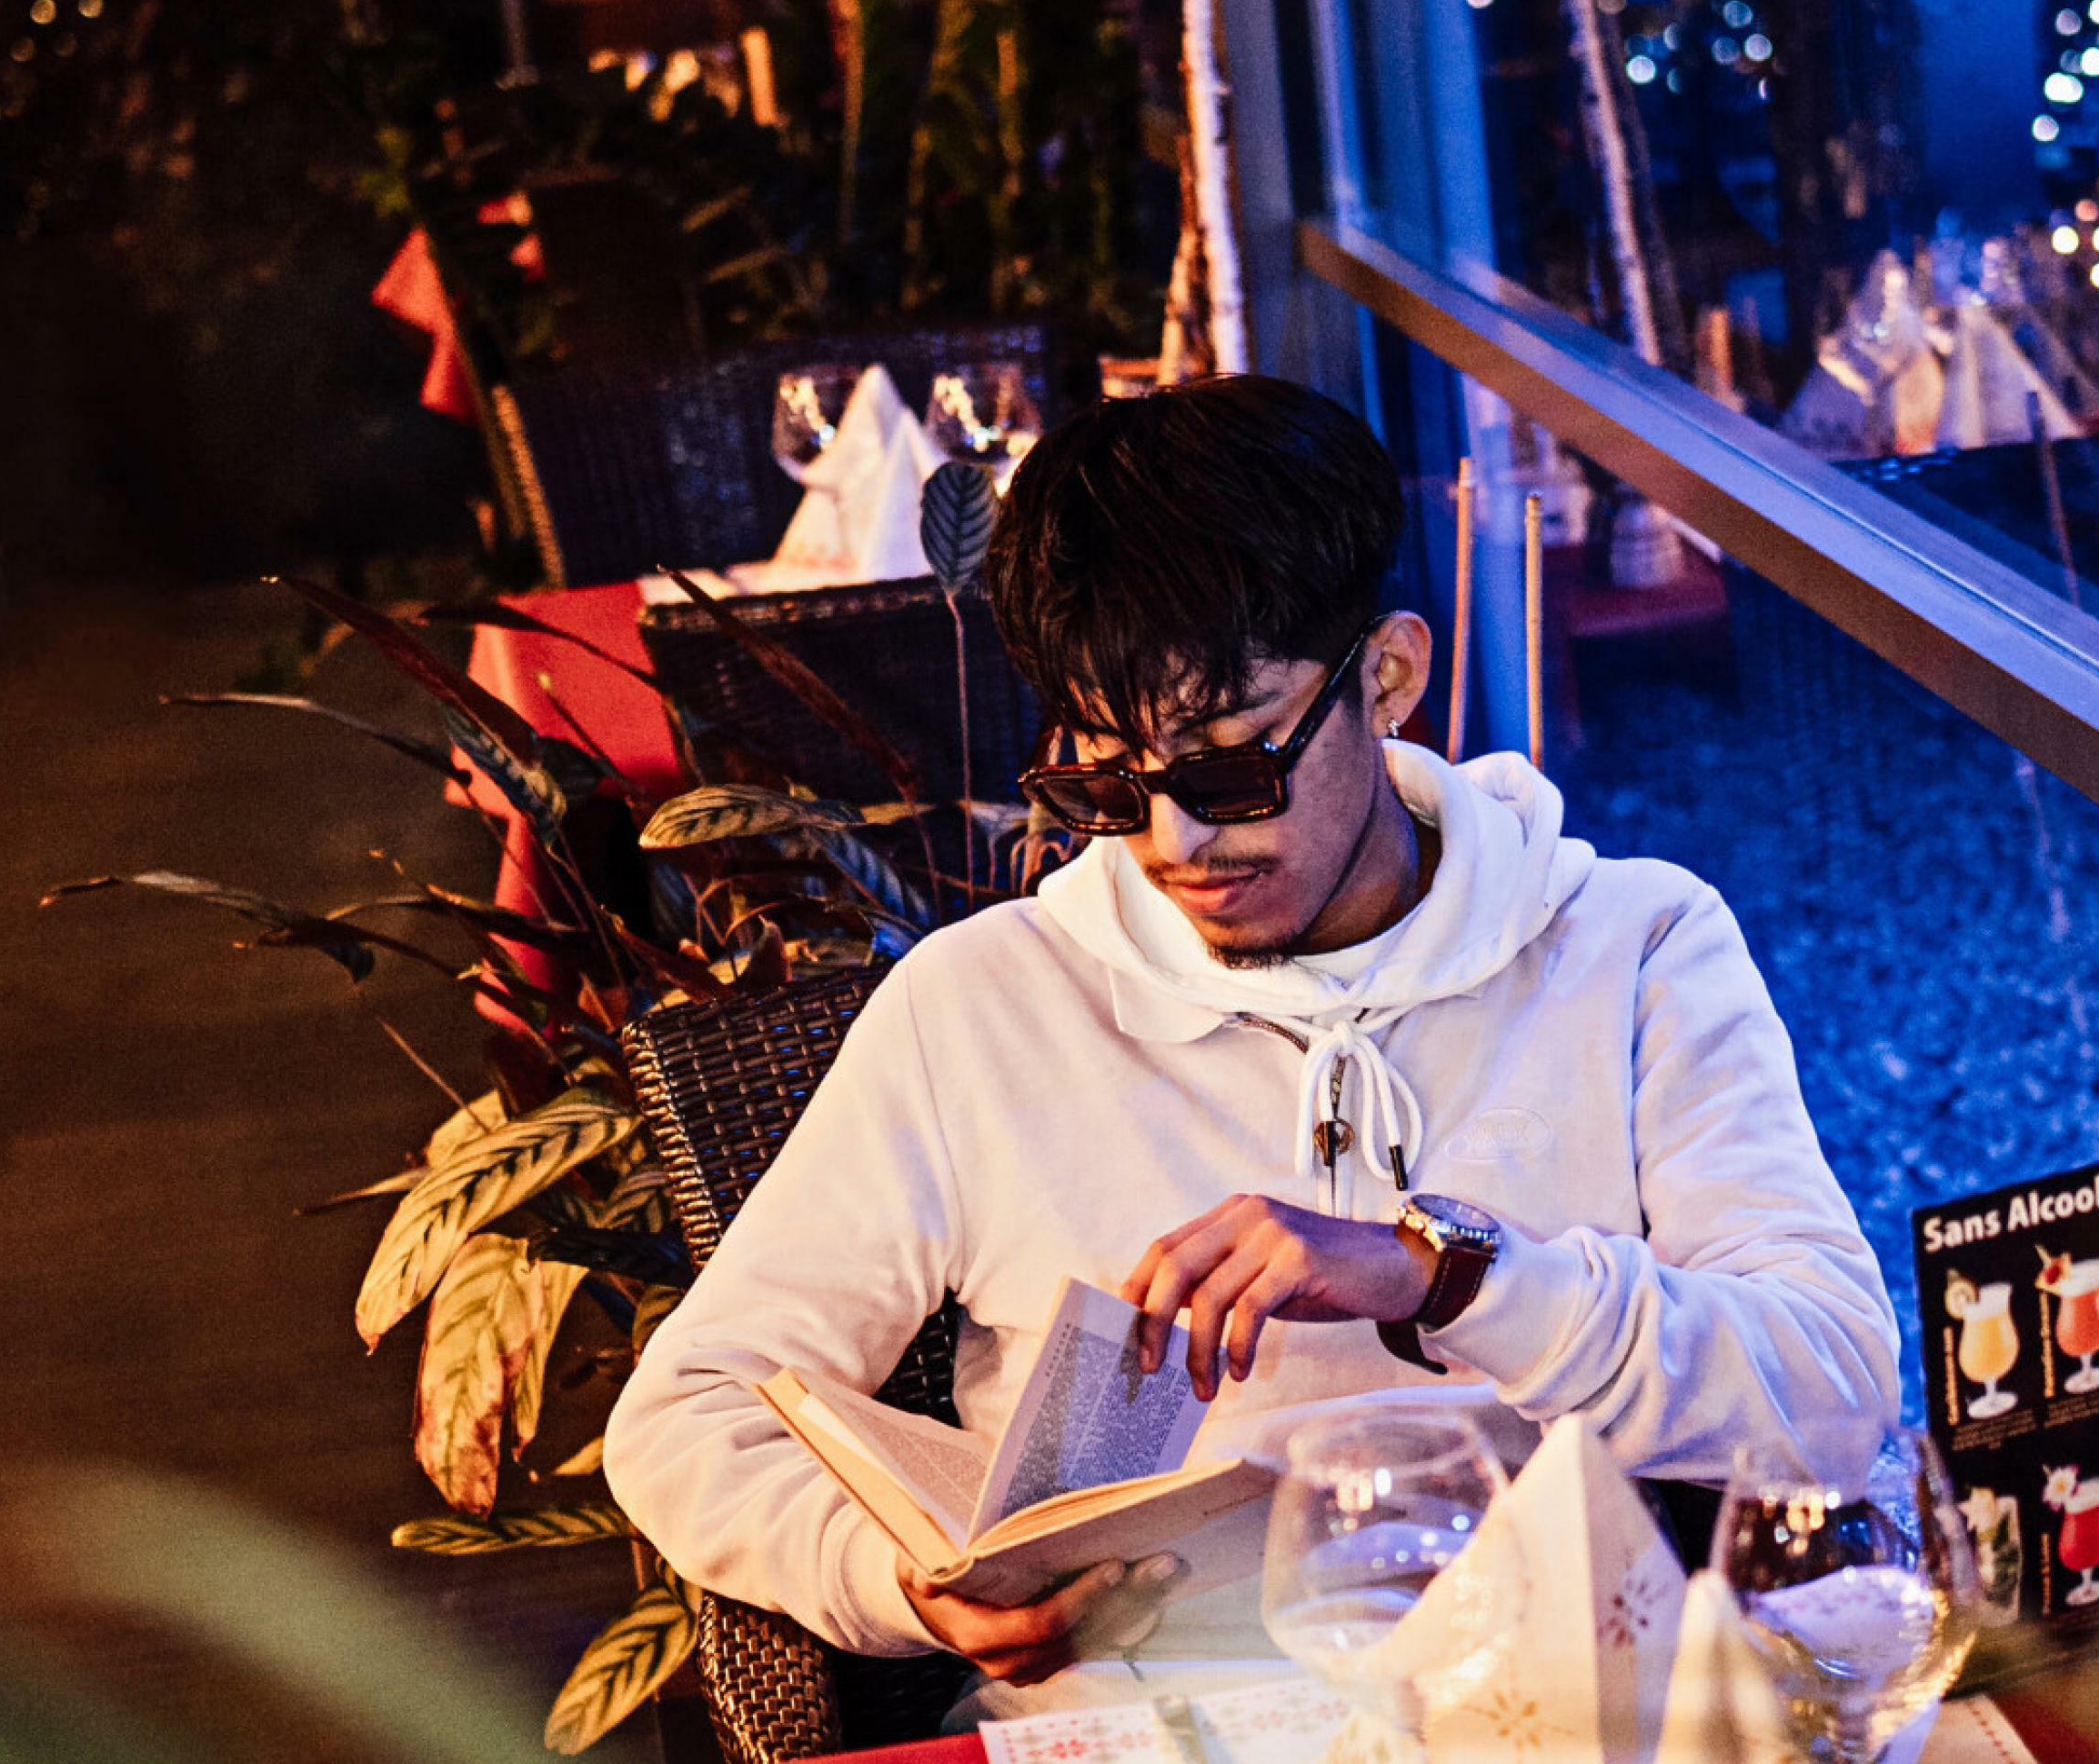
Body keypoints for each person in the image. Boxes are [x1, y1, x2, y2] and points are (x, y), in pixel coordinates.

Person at [604, 377, 1899, 1691]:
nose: (1177, 843)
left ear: (1387, 677)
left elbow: (1834, 1398)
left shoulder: (1632, 948)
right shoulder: (980, 1007)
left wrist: (1446, 1278)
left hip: (1576, 1699)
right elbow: (689, 1415)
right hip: (1154, 1718)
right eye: (1109, 781)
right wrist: (893, 1582)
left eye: (1231, 767)